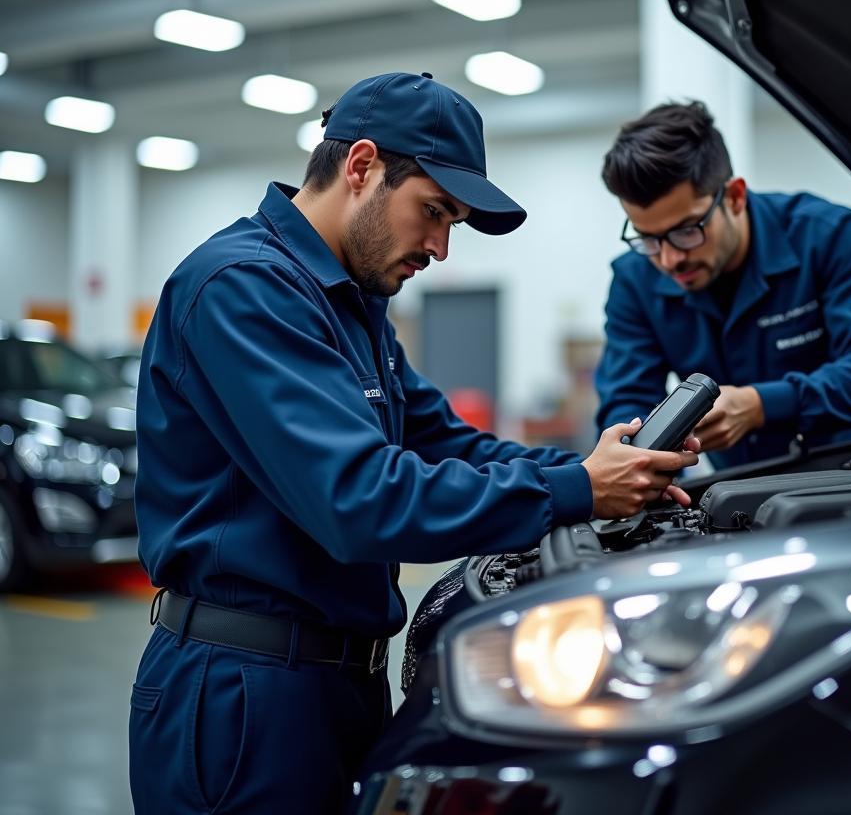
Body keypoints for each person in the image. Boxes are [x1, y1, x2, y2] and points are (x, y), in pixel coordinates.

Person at [128, 72, 700, 815]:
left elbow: (448, 445)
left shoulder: (354, 306)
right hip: (246, 692)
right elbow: (360, 500)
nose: (439, 246)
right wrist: (578, 491)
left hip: (339, 684)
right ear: (361, 166)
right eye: (433, 211)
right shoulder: (243, 289)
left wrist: (601, 468)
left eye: (453, 222)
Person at [595, 100, 851, 469]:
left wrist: (762, 405)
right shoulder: (635, 279)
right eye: (648, 238)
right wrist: (641, 462)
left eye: (686, 231)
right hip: (734, 498)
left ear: (734, 197)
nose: (669, 259)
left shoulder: (823, 235)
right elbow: (626, 400)